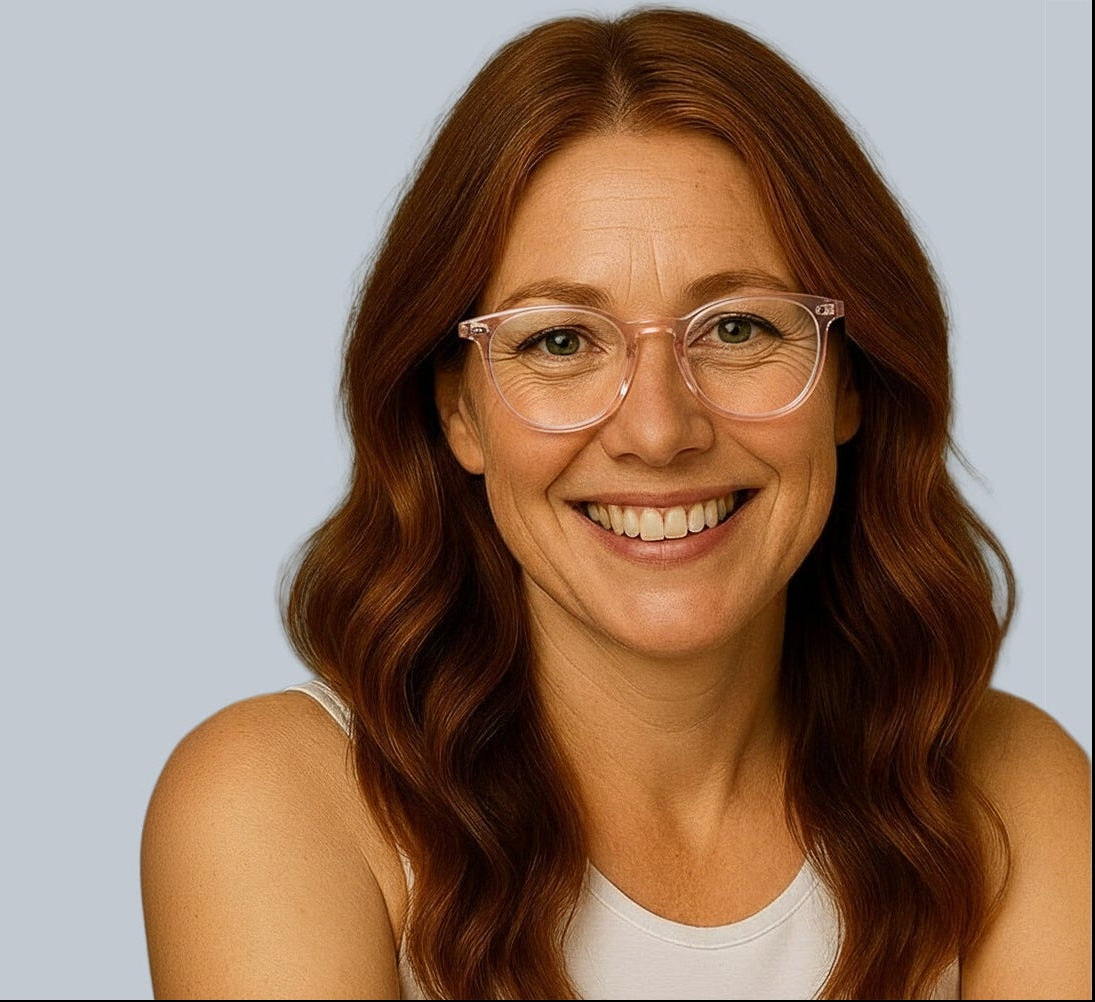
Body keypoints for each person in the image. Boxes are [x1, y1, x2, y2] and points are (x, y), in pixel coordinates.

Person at [139, 7, 1091, 1000]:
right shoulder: (277, 804)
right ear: (459, 410)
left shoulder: (1014, 796)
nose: (659, 430)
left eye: (736, 326)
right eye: (559, 341)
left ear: (852, 382)